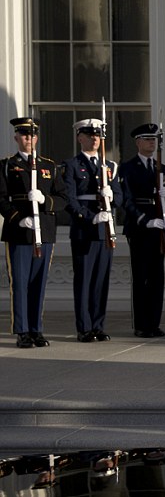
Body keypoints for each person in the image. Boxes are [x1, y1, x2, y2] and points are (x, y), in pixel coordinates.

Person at [0, 117, 66, 348]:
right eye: (24, 135)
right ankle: (22, 331)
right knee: (19, 283)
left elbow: (63, 198)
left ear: (37, 137)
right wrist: (18, 219)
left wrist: (45, 200)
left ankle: (36, 329)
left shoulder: (49, 166)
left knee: (39, 283)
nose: (29, 139)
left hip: (44, 231)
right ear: (16, 137)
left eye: (32, 135)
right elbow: (1, 198)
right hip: (19, 232)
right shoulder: (7, 165)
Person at [62, 119, 123, 343]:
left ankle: (98, 325)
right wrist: (90, 217)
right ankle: (84, 327)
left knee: (101, 280)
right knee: (84, 280)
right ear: (80, 137)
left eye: (97, 135)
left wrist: (110, 195)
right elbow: (70, 200)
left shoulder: (110, 166)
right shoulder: (71, 165)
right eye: (89, 135)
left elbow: (119, 198)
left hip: (105, 229)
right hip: (84, 230)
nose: (95, 139)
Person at [117, 123, 165, 338]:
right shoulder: (128, 168)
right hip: (139, 228)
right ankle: (141, 324)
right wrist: (144, 220)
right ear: (138, 142)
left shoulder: (163, 169)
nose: (152, 142)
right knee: (141, 277)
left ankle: (154, 322)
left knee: (157, 277)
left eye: (154, 139)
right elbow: (127, 200)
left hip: (159, 227)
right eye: (147, 139)